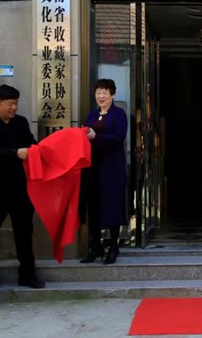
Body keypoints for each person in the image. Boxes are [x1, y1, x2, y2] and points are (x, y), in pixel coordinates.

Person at [0, 85, 45, 289]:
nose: (14, 108)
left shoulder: (20, 122)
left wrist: (42, 149)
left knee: (24, 231)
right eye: (10, 104)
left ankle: (28, 274)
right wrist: (15, 153)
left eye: (16, 103)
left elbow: (31, 143)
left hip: (20, 187)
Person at [80, 79, 128, 265]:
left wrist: (96, 137)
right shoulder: (92, 115)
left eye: (105, 93)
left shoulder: (119, 114)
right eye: (98, 93)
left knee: (112, 206)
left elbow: (118, 138)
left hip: (112, 168)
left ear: (112, 95)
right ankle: (95, 246)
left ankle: (114, 246)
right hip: (93, 168)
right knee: (94, 207)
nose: (101, 96)